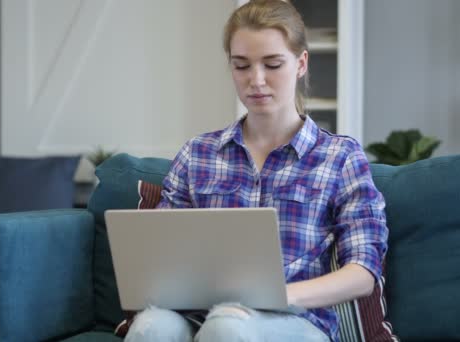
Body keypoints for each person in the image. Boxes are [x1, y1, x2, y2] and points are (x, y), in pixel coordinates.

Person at [125, 0, 388, 341]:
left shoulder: (340, 156)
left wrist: (281, 296)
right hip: (203, 316)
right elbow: (162, 259)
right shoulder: (197, 154)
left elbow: (363, 272)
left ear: (301, 63)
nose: (256, 80)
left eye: (273, 64)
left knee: (227, 325)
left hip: (297, 320)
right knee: (150, 327)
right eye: (242, 66)